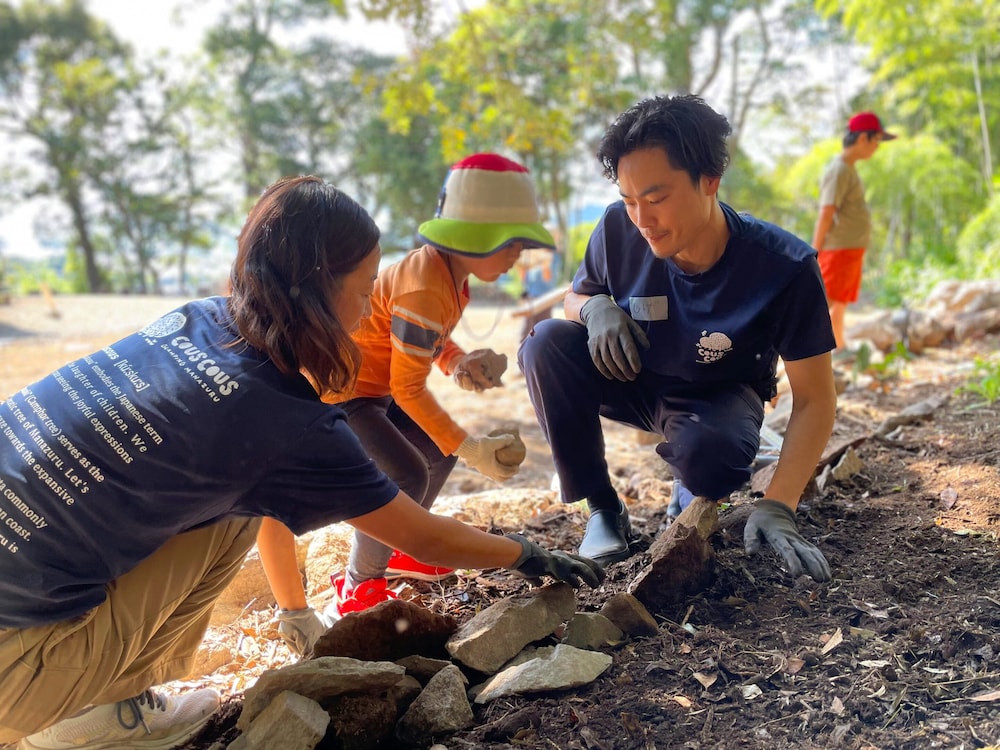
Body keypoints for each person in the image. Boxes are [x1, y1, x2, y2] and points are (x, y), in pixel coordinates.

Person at [0, 175, 601, 750]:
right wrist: (527, 555)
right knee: (236, 514)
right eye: (364, 291)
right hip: (13, 671)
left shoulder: (196, 319)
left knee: (221, 497)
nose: (368, 312)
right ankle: (88, 718)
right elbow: (421, 533)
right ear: (317, 287)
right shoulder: (280, 418)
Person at [518, 94, 837, 582]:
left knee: (712, 460)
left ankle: (691, 484)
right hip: (632, 376)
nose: (642, 220)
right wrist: (594, 307)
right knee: (544, 343)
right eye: (629, 200)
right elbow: (575, 297)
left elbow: (815, 398)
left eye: (657, 198)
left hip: (718, 396)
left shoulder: (783, 267)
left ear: (710, 181)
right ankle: (604, 509)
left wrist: (780, 504)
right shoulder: (615, 229)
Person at [259, 153, 561, 657]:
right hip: (350, 393)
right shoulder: (426, 285)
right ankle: (359, 583)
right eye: (512, 244)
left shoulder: (448, 277)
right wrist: (472, 447)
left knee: (434, 456)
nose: (518, 256)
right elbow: (408, 387)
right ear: (473, 238)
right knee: (407, 474)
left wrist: (460, 362)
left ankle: (403, 547)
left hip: (375, 389)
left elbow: (423, 342)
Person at [812, 111, 897, 351]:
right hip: (837, 249)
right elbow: (826, 212)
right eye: (877, 140)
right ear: (863, 139)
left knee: (840, 301)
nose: (877, 147)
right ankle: (804, 357)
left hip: (849, 248)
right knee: (823, 303)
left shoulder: (848, 169)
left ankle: (839, 345)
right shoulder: (838, 169)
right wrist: (814, 253)